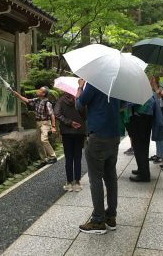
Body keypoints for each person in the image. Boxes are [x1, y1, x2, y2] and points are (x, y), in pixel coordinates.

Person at [76, 79, 121, 234]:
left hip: (98, 135)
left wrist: (80, 87)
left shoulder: (95, 82)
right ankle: (111, 217)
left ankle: (98, 220)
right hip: (114, 134)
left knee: (95, 179)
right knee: (111, 177)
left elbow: (79, 104)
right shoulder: (117, 84)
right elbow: (123, 106)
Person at [12, 86, 57, 167]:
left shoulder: (47, 103)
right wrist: (18, 95)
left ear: (43, 94)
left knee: (44, 140)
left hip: (45, 123)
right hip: (38, 123)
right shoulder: (37, 100)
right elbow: (27, 100)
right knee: (38, 142)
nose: (38, 90)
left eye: (40, 90)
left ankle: (53, 156)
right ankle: (44, 159)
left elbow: (52, 115)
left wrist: (53, 126)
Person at [54, 92, 86, 192]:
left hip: (67, 132)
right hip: (79, 131)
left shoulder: (61, 100)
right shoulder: (81, 99)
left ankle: (69, 183)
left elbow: (57, 113)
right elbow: (86, 114)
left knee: (68, 157)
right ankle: (77, 182)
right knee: (77, 157)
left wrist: (69, 122)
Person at [149, 75, 163, 164]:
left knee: (159, 134)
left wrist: (154, 83)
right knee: (156, 133)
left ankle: (161, 155)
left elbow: (159, 93)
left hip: (160, 113)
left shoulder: (161, 88)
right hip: (156, 113)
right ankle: (158, 154)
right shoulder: (154, 90)